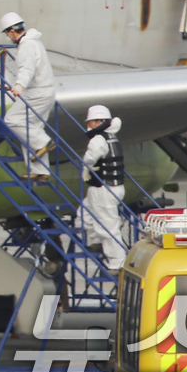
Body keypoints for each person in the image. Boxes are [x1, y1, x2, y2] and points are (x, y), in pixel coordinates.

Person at [0, 13, 56, 182]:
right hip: (46, 91)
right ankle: (40, 171)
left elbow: (27, 68)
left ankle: (43, 143)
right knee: (30, 129)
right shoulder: (35, 42)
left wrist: (19, 85)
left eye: (7, 34)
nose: (8, 37)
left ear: (11, 32)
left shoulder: (26, 46)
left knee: (12, 119)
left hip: (36, 93)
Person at [81, 105, 127, 272]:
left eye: (91, 122)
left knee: (107, 226)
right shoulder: (112, 137)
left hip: (104, 188)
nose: (89, 125)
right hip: (113, 187)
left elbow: (90, 158)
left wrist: (86, 168)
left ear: (98, 121)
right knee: (84, 213)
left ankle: (117, 261)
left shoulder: (98, 140)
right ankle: (94, 240)